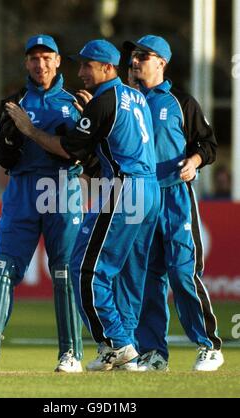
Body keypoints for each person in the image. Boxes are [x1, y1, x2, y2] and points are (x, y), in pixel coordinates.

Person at [6, 39, 161, 372]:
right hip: (150, 191)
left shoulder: (105, 100)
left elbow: (69, 150)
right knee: (129, 273)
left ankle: (115, 344)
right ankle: (128, 345)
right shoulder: (135, 97)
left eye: (86, 66)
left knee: (85, 269)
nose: (80, 73)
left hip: (123, 188)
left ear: (106, 68)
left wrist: (29, 129)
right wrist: (87, 115)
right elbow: (111, 136)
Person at [0, 34, 84, 373]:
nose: (40, 64)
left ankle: (71, 354)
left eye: (47, 57)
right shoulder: (13, 102)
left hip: (62, 188)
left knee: (64, 272)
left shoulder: (76, 102)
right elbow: (2, 156)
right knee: (1, 269)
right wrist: (11, 137)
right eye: (34, 58)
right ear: (26, 63)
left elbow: (83, 151)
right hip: (23, 189)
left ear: (58, 61)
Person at [117, 34, 223, 372]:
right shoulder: (124, 101)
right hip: (140, 198)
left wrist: (194, 161)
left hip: (175, 195)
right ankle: (153, 353)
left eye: (143, 56)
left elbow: (208, 144)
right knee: (149, 278)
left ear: (162, 62)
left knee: (182, 273)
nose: (135, 61)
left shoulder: (181, 102)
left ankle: (209, 345)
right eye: (134, 56)